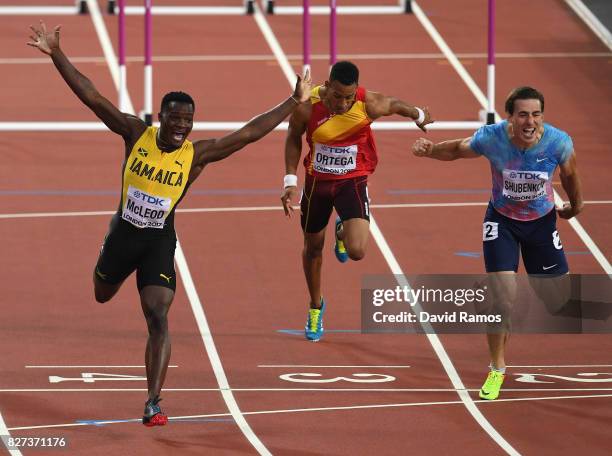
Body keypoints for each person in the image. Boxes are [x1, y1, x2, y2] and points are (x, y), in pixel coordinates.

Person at [28, 21, 312, 426]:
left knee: (158, 316)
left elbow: (249, 133)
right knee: (101, 294)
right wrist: (56, 52)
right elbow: (92, 96)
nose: (182, 127)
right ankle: (106, 258)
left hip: (159, 240)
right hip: (123, 233)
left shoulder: (196, 155)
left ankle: (153, 402)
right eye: (176, 119)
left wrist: (291, 101)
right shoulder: (135, 133)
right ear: (161, 117)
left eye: (188, 121)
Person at [412, 86, 583, 400]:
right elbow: (457, 148)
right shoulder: (492, 138)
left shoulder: (558, 142)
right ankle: (497, 368)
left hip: (542, 224)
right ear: (511, 118)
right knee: (502, 300)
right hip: (501, 222)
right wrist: (431, 149)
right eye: (523, 115)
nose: (530, 122)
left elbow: (570, 174)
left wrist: (577, 204)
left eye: (536, 114)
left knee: (557, 301)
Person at [280, 61, 433, 342]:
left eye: (349, 98)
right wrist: (290, 181)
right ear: (326, 87)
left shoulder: (368, 103)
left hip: (353, 180)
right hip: (317, 183)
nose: (342, 103)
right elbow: (292, 137)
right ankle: (316, 307)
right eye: (337, 96)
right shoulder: (307, 104)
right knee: (313, 247)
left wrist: (419, 114)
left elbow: (397, 104)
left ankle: (342, 230)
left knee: (357, 251)